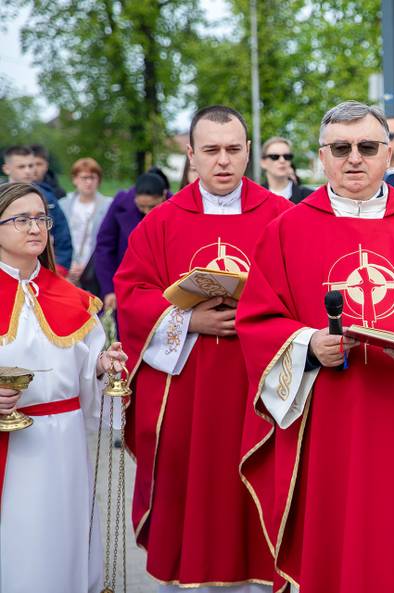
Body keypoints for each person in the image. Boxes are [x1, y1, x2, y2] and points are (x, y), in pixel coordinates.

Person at [236, 101, 394, 593]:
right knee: (334, 546)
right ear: (321, 158)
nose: (354, 159)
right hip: (327, 419)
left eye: (368, 147)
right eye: (340, 148)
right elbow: (257, 320)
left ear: (389, 154)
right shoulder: (287, 230)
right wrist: (307, 343)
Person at [115, 105, 291, 590]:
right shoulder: (162, 223)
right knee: (196, 491)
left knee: (259, 488)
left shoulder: (283, 217)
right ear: (191, 154)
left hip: (261, 389)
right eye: (210, 150)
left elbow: (304, 294)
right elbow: (130, 298)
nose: (223, 161)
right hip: (189, 393)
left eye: (234, 149)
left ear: (249, 152)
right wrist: (189, 319)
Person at [0, 181, 127, 592]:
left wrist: (103, 367)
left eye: (41, 218)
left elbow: (87, 366)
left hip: (66, 443)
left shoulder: (74, 300)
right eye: (21, 219)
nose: (35, 227)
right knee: (20, 546)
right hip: (13, 451)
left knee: (68, 538)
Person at [94, 171, 168, 312]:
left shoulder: (175, 207)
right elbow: (104, 247)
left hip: (160, 286)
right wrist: (109, 289)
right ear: (134, 198)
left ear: (163, 196)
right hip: (125, 284)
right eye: (141, 207)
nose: (147, 212)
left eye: (152, 207)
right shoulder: (121, 203)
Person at [2, 145, 73, 270]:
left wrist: (58, 271)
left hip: (43, 270)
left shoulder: (49, 198)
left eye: (31, 166)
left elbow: (63, 238)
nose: (28, 171)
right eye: (21, 167)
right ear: (7, 168)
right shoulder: (1, 198)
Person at [58, 158, 112, 290]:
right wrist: (66, 265)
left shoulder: (108, 205)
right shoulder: (63, 204)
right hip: (67, 267)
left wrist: (89, 266)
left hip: (95, 269)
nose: (89, 182)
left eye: (93, 177)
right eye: (84, 178)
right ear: (75, 179)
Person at [259, 136, 313, 203]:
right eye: (274, 157)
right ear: (263, 162)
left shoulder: (310, 197)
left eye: (287, 156)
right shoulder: (254, 197)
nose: (282, 160)